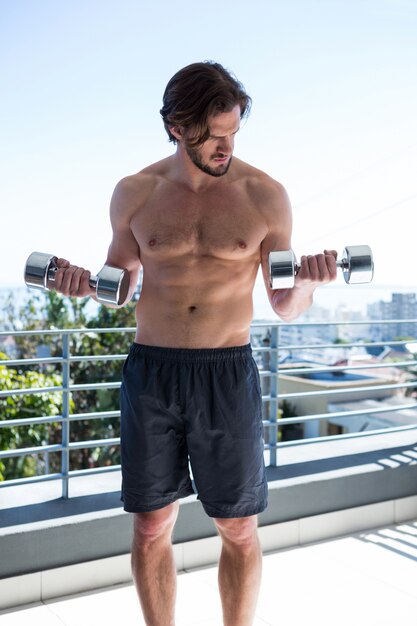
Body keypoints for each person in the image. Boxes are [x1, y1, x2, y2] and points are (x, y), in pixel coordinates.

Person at [52, 61, 337, 626]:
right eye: (214, 136)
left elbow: (282, 304)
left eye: (233, 133)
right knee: (152, 524)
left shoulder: (265, 197)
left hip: (225, 373)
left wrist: (306, 281)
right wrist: (82, 286)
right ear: (177, 127)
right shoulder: (134, 193)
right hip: (152, 372)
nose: (226, 147)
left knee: (238, 526)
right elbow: (120, 286)